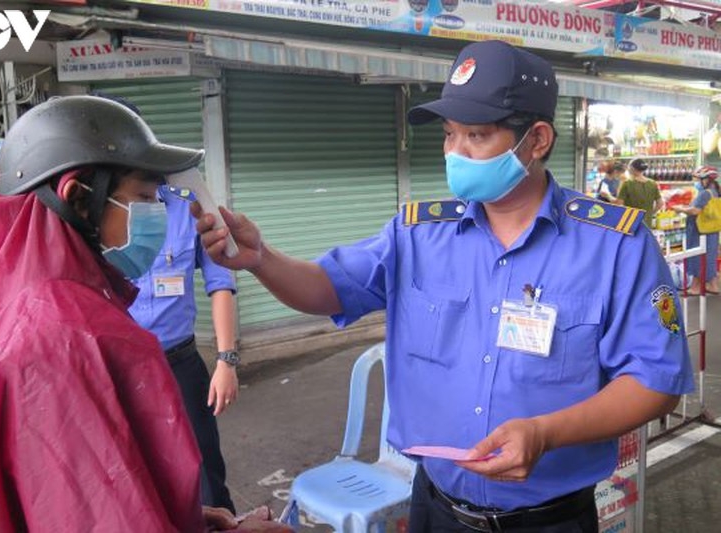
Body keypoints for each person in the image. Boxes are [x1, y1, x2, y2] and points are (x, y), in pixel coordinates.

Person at [193, 40, 694, 532]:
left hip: (550, 521)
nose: (455, 152)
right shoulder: (418, 234)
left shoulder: (615, 247)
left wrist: (545, 433)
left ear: (537, 140)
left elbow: (657, 381)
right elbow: (328, 288)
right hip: (435, 509)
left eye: (475, 136)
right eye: (450, 135)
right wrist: (262, 259)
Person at [0, 96, 287, 532]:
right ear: (77, 197)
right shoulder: (65, 335)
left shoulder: (28, 302)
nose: (156, 212)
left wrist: (184, 517)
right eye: (143, 197)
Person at [130, 184, 238, 513]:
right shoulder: (107, 210)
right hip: (126, 370)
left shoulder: (190, 207)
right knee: (138, 473)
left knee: (207, 474)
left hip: (181, 364)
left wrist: (227, 360)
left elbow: (221, 282)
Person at [674, 165, 720, 295]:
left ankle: (695, 288)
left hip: (699, 231)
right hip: (711, 231)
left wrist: (680, 208)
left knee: (696, 257)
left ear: (705, 179)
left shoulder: (705, 193)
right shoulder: (715, 191)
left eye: (697, 179)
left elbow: (695, 210)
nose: (695, 182)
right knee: (709, 258)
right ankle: (713, 285)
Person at [617, 158, 663, 228]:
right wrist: (650, 213)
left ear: (632, 168)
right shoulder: (653, 183)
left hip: (630, 222)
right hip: (647, 223)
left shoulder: (627, 184)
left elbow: (619, 203)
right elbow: (660, 203)